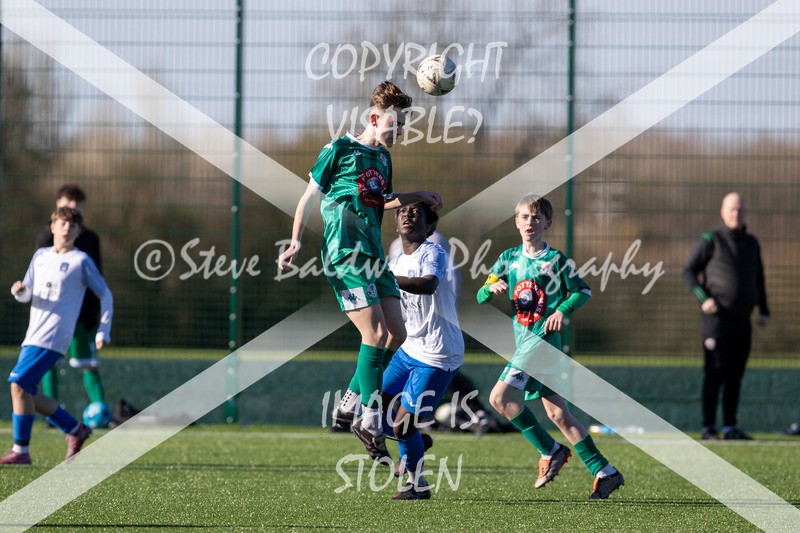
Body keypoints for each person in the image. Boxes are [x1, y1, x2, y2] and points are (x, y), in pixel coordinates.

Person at [277, 81, 441, 462]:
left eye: (402, 127)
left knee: (398, 334)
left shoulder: (383, 159)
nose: (398, 133)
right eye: (394, 125)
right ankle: (369, 418)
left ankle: (351, 402)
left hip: (372, 254)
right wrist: (296, 241)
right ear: (373, 117)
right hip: (344, 252)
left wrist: (420, 195)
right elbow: (307, 197)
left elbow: (381, 200)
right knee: (376, 332)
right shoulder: (339, 149)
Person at [477, 194, 624, 500]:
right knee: (559, 415)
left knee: (499, 397)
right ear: (516, 222)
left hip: (541, 342)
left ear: (548, 223)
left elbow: (582, 291)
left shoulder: (557, 260)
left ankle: (550, 450)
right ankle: (605, 472)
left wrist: (561, 311)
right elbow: (481, 294)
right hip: (526, 342)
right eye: (524, 217)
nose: (530, 222)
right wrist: (491, 287)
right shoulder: (507, 259)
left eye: (536, 217)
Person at [2, 207, 113, 464]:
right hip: (33, 334)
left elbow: (105, 294)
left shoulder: (81, 261)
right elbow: (27, 292)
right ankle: (76, 430)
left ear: (78, 232)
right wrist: (18, 290)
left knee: (18, 383)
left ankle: (21, 450)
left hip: (55, 336)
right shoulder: (40, 256)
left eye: (72, 226)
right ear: (52, 227)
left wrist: (103, 329)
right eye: (62, 224)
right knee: (25, 390)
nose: (66, 229)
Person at [378, 202, 464, 500]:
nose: (407, 213)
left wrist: (382, 280)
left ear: (429, 228)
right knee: (374, 408)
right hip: (409, 348)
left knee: (402, 425)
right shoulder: (395, 262)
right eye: (403, 211)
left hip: (438, 354)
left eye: (417, 212)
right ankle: (417, 441)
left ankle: (418, 485)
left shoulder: (433, 252)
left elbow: (426, 286)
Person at [683, 192, 769, 441]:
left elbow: (759, 278)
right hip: (716, 321)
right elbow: (688, 272)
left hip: (742, 320)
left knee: (735, 374)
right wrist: (704, 298)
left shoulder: (752, 243)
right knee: (715, 371)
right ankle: (708, 427)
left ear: (746, 212)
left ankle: (730, 426)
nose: (736, 213)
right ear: (723, 211)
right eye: (732, 209)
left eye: (740, 209)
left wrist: (764, 310)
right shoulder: (710, 240)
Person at [36, 185, 108, 422]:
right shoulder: (45, 242)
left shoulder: (88, 243)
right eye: (67, 207)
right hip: (53, 317)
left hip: (82, 316)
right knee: (48, 364)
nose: (68, 227)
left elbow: (99, 285)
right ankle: (51, 415)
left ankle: (100, 411)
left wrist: (95, 315)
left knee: (88, 363)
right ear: (57, 206)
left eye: (76, 210)